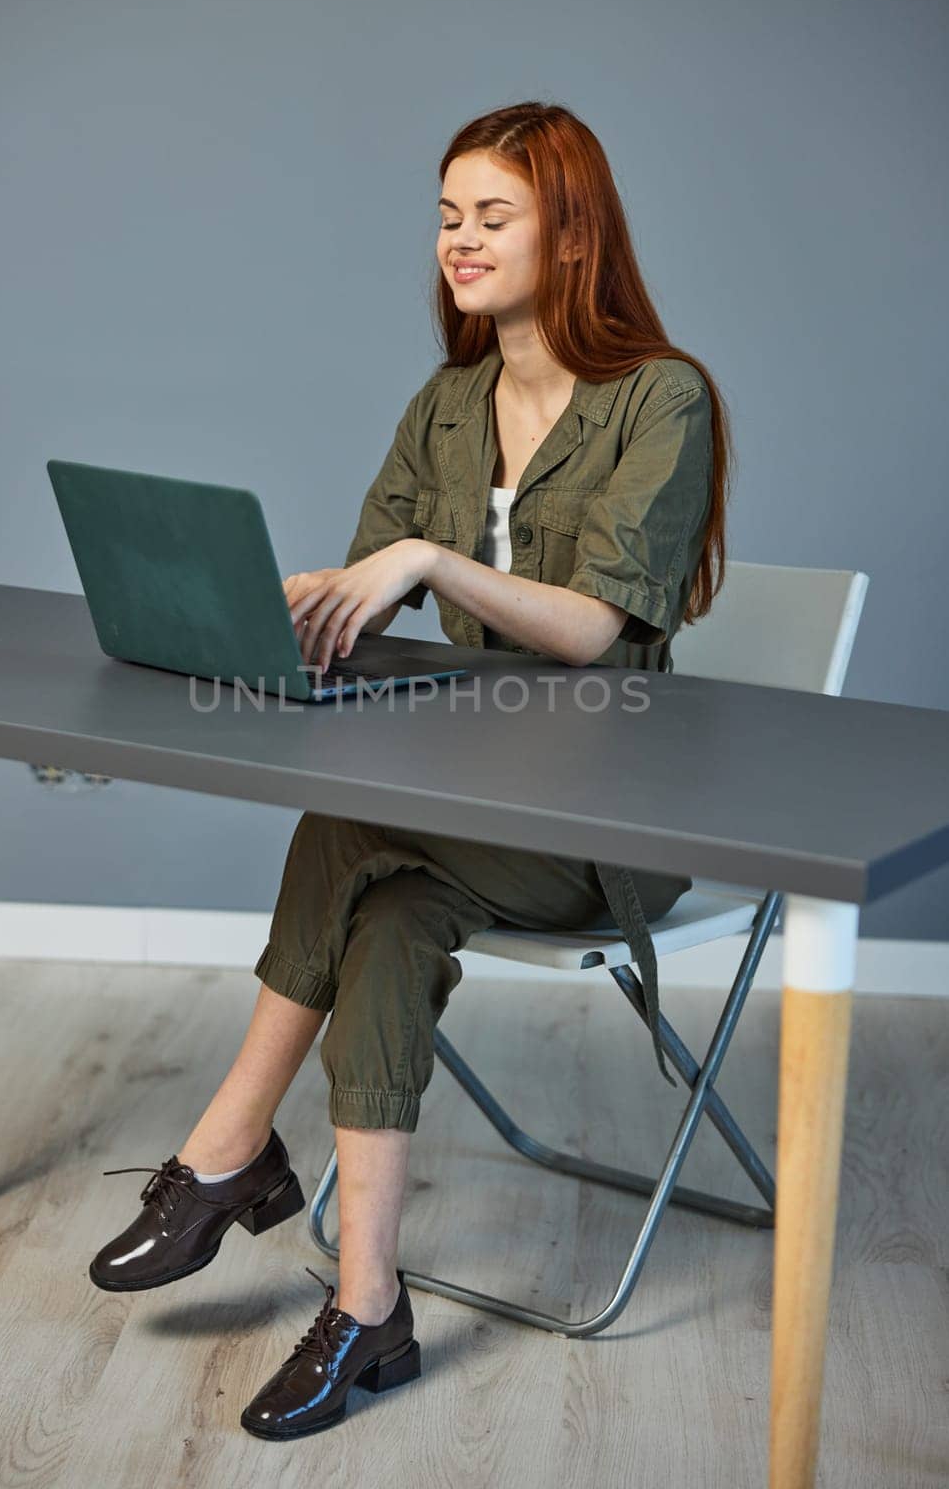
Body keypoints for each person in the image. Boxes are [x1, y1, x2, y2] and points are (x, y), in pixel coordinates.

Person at [88, 100, 736, 1442]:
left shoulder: (661, 398)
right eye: (446, 216)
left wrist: (431, 563)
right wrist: (280, 602)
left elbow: (597, 629)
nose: (460, 240)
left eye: (493, 216)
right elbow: (365, 594)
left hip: (614, 822)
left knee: (347, 824)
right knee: (382, 922)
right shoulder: (446, 405)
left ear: (570, 234)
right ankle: (369, 1309)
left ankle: (224, 1155)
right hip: (459, 813)